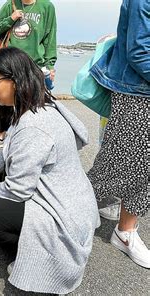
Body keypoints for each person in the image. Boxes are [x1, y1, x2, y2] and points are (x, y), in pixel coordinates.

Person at [0, 47, 99, 293]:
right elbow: (8, 149)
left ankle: (40, 254)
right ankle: (29, 243)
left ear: (15, 80)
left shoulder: (33, 127)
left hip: (62, 215)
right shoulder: (42, 105)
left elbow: (18, 190)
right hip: (74, 201)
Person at [87, 0, 150, 269]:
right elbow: (138, 50)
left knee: (144, 170)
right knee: (117, 162)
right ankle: (65, 212)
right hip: (136, 92)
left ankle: (125, 231)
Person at [0, 0, 57, 147]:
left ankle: (33, 135)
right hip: (10, 62)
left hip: (35, 64)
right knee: (4, 99)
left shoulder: (46, 7)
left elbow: (50, 38)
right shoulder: (10, 4)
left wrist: (50, 64)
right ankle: (1, 135)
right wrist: (11, 18)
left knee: (35, 101)